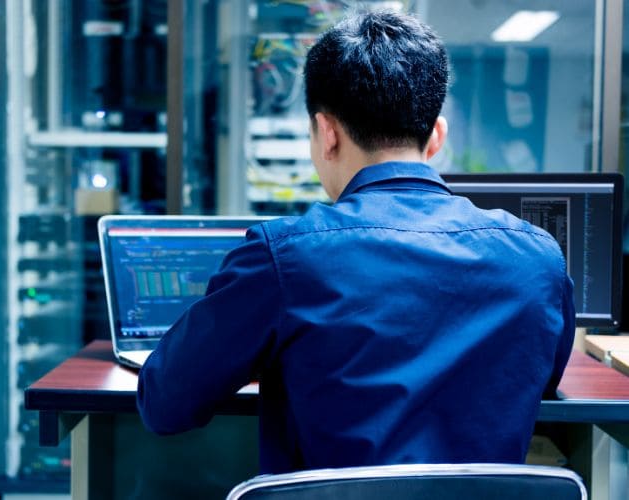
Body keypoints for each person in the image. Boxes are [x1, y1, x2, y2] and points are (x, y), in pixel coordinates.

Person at [137, 10, 575, 474]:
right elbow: (539, 381)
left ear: (326, 133)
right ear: (436, 137)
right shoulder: (539, 258)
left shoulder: (285, 257)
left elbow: (165, 403)